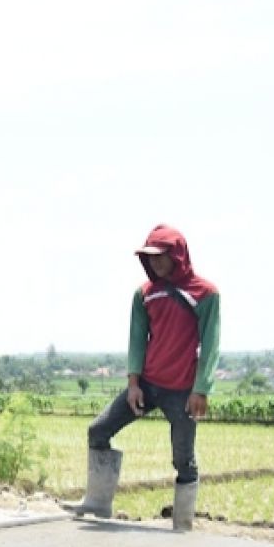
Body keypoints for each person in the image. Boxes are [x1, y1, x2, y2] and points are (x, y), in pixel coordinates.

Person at [64, 225, 220, 531]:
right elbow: (137, 339)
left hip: (182, 391)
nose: (156, 263)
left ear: (177, 255)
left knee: (183, 458)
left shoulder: (206, 294)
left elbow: (210, 345)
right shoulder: (144, 294)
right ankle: (98, 502)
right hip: (147, 384)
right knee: (98, 430)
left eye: (161, 256)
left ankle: (183, 521)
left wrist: (201, 389)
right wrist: (134, 383)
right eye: (150, 258)